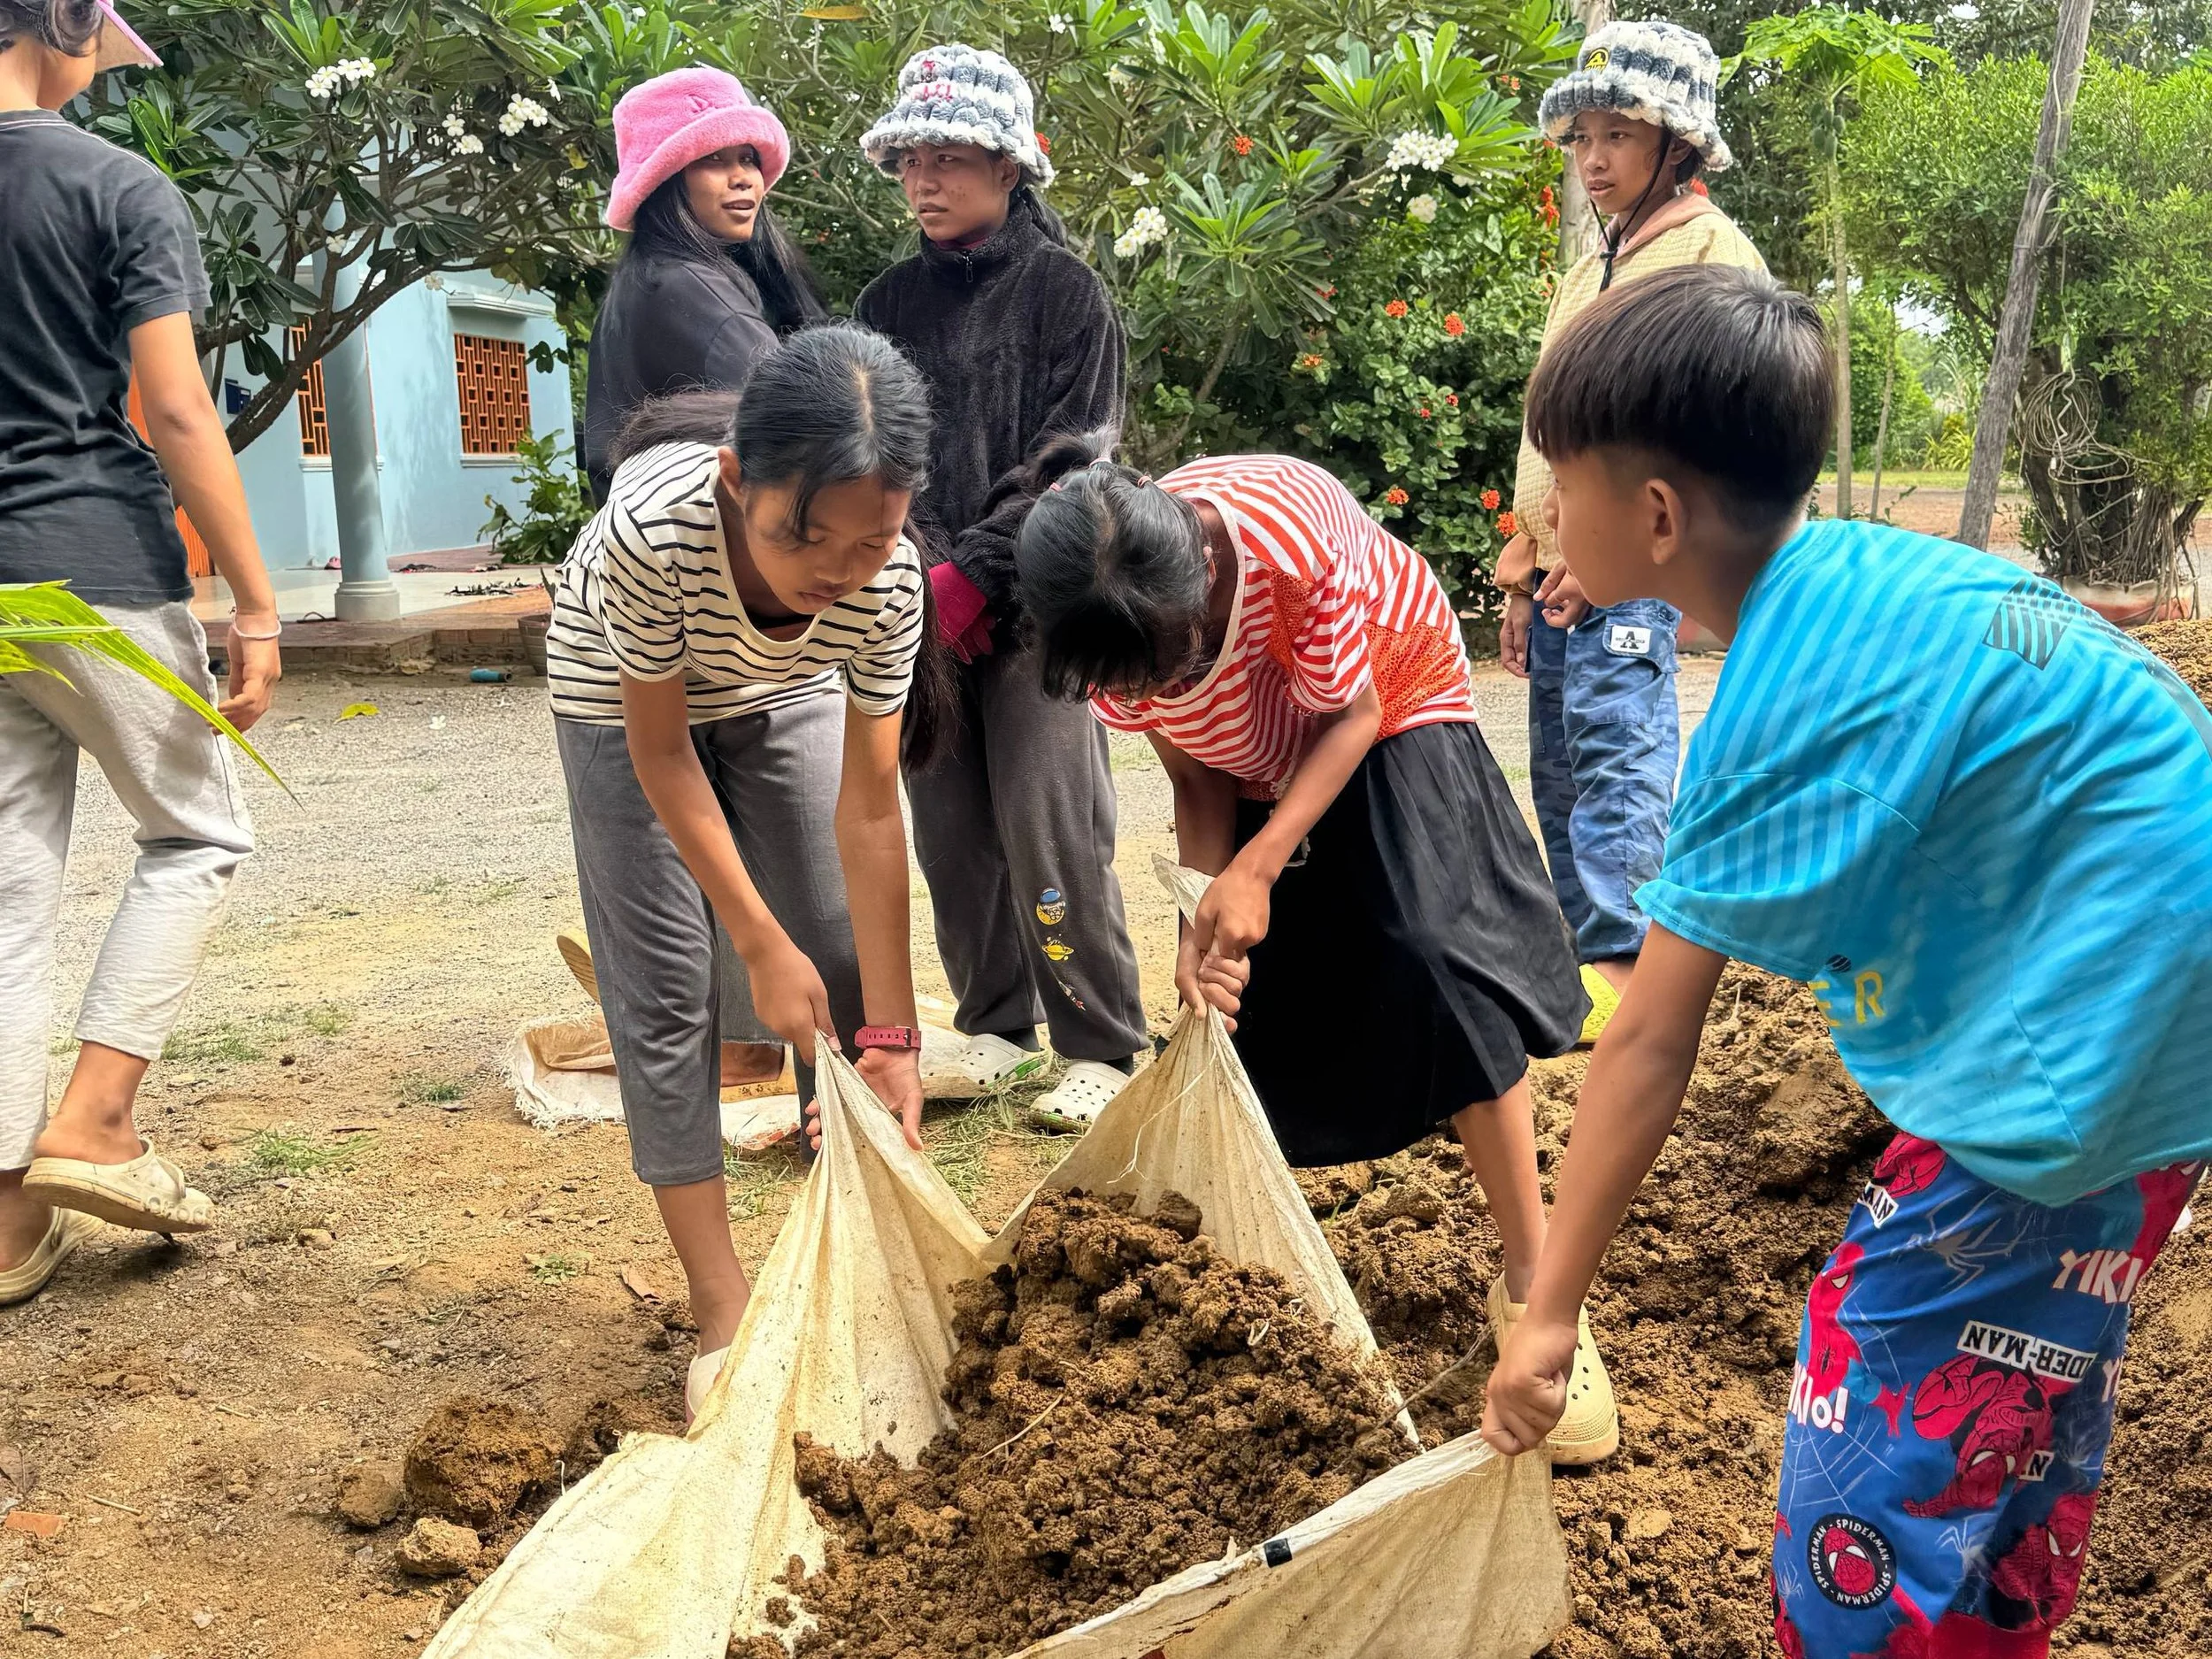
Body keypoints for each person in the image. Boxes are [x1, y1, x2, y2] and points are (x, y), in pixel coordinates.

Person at [1481, 265, 2212, 1655]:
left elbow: (1649, 1038)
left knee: (1874, 1390)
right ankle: (1992, 1622)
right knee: (2024, 1366)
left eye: (1559, 488)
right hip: (2171, 1031)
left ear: (1656, 517)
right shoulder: (1874, 576)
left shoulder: (1781, 698)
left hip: (2084, 1048)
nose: (1543, 521)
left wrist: (1551, 1309)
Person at [1015, 434, 1620, 1466]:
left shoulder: (1287, 535)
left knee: (1435, 955)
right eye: (1151, 676)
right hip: (1261, 751)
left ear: (1201, 569)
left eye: (1182, 655)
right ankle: (1261, 1283)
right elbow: (1199, 773)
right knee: (1242, 1013)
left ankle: (1534, 1283)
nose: (1170, 681)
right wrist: (1201, 917)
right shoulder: (1109, 633)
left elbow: (1352, 714)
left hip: (1389, 698)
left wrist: (1260, 869)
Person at [544, 326, 947, 1418]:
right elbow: (665, 754)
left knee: (838, 953)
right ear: (736, 480)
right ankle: (720, 1303)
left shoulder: (885, 582)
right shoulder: (650, 535)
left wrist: (896, 1035)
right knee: (667, 989)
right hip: (619, 700)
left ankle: (850, 1249)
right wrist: (754, 940)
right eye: (801, 538)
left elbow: (872, 808)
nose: (836, 571)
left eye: (870, 540)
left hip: (780, 683)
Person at [0, 0, 281, 1308]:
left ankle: (7, 1223)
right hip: (91, 563)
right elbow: (173, 405)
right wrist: (256, 603)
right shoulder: (117, 187)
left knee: (6, 891)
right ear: (60, 23)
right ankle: (98, 1117)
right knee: (199, 830)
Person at [853, 43, 1148, 1124]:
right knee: (947, 828)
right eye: (910, 160)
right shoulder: (885, 302)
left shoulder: (1068, 294)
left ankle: (1101, 1041)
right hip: (920, 607)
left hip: (1039, 612)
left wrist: (976, 574)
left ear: (1009, 166)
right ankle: (991, 1023)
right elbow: (875, 450)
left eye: (947, 158)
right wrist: (926, 576)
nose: (923, 180)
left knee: (1048, 820)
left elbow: (1078, 460)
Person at [1495, 19, 1765, 1039]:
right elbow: (1549, 424)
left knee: (1617, 760)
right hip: (1563, 568)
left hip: (1633, 567)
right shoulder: (1591, 263)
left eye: (1618, 134)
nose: (1593, 158)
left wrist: (1610, 559)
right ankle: (1592, 987)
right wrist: (1526, 560)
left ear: (1677, 144)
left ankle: (1637, 988)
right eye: (1582, 137)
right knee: (1561, 771)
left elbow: (1699, 434)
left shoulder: (1710, 255)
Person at [569, 65, 828, 1102]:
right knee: (750, 817)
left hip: (667, 575)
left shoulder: (696, 277)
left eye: (749, 159)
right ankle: (746, 1042)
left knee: (704, 809)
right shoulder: (686, 288)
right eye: (714, 161)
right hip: (697, 579)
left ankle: (737, 1034)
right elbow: (801, 420)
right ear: (665, 179)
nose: (742, 179)